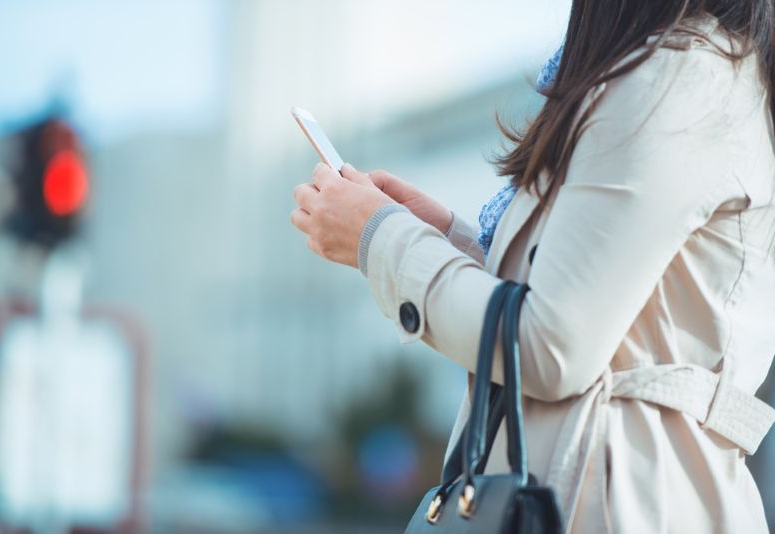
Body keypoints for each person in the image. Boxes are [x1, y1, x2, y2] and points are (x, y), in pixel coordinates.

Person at [290, 1, 775, 532]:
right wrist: (436, 238)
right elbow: (576, 309)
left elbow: (549, 345)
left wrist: (380, 238)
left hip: (622, 501)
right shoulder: (677, 69)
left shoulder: (676, 76)